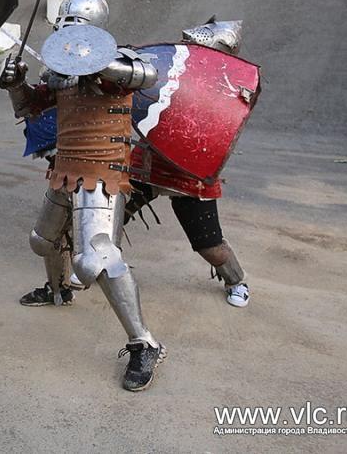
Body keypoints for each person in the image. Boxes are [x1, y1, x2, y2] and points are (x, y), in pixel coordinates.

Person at [0, 0, 166, 391]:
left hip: (102, 173)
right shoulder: (59, 69)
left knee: (97, 258)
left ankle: (144, 343)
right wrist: (14, 83)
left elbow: (147, 76)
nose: (69, 31)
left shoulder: (118, 61)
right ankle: (58, 292)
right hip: (66, 169)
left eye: (77, 25)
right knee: (43, 240)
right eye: (65, 24)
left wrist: (98, 63)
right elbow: (29, 107)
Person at [16, 17, 250, 308]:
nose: (188, 48)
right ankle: (69, 281)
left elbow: (210, 134)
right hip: (147, 161)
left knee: (209, 244)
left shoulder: (223, 91)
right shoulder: (173, 69)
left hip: (189, 173)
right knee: (98, 224)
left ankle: (236, 279)